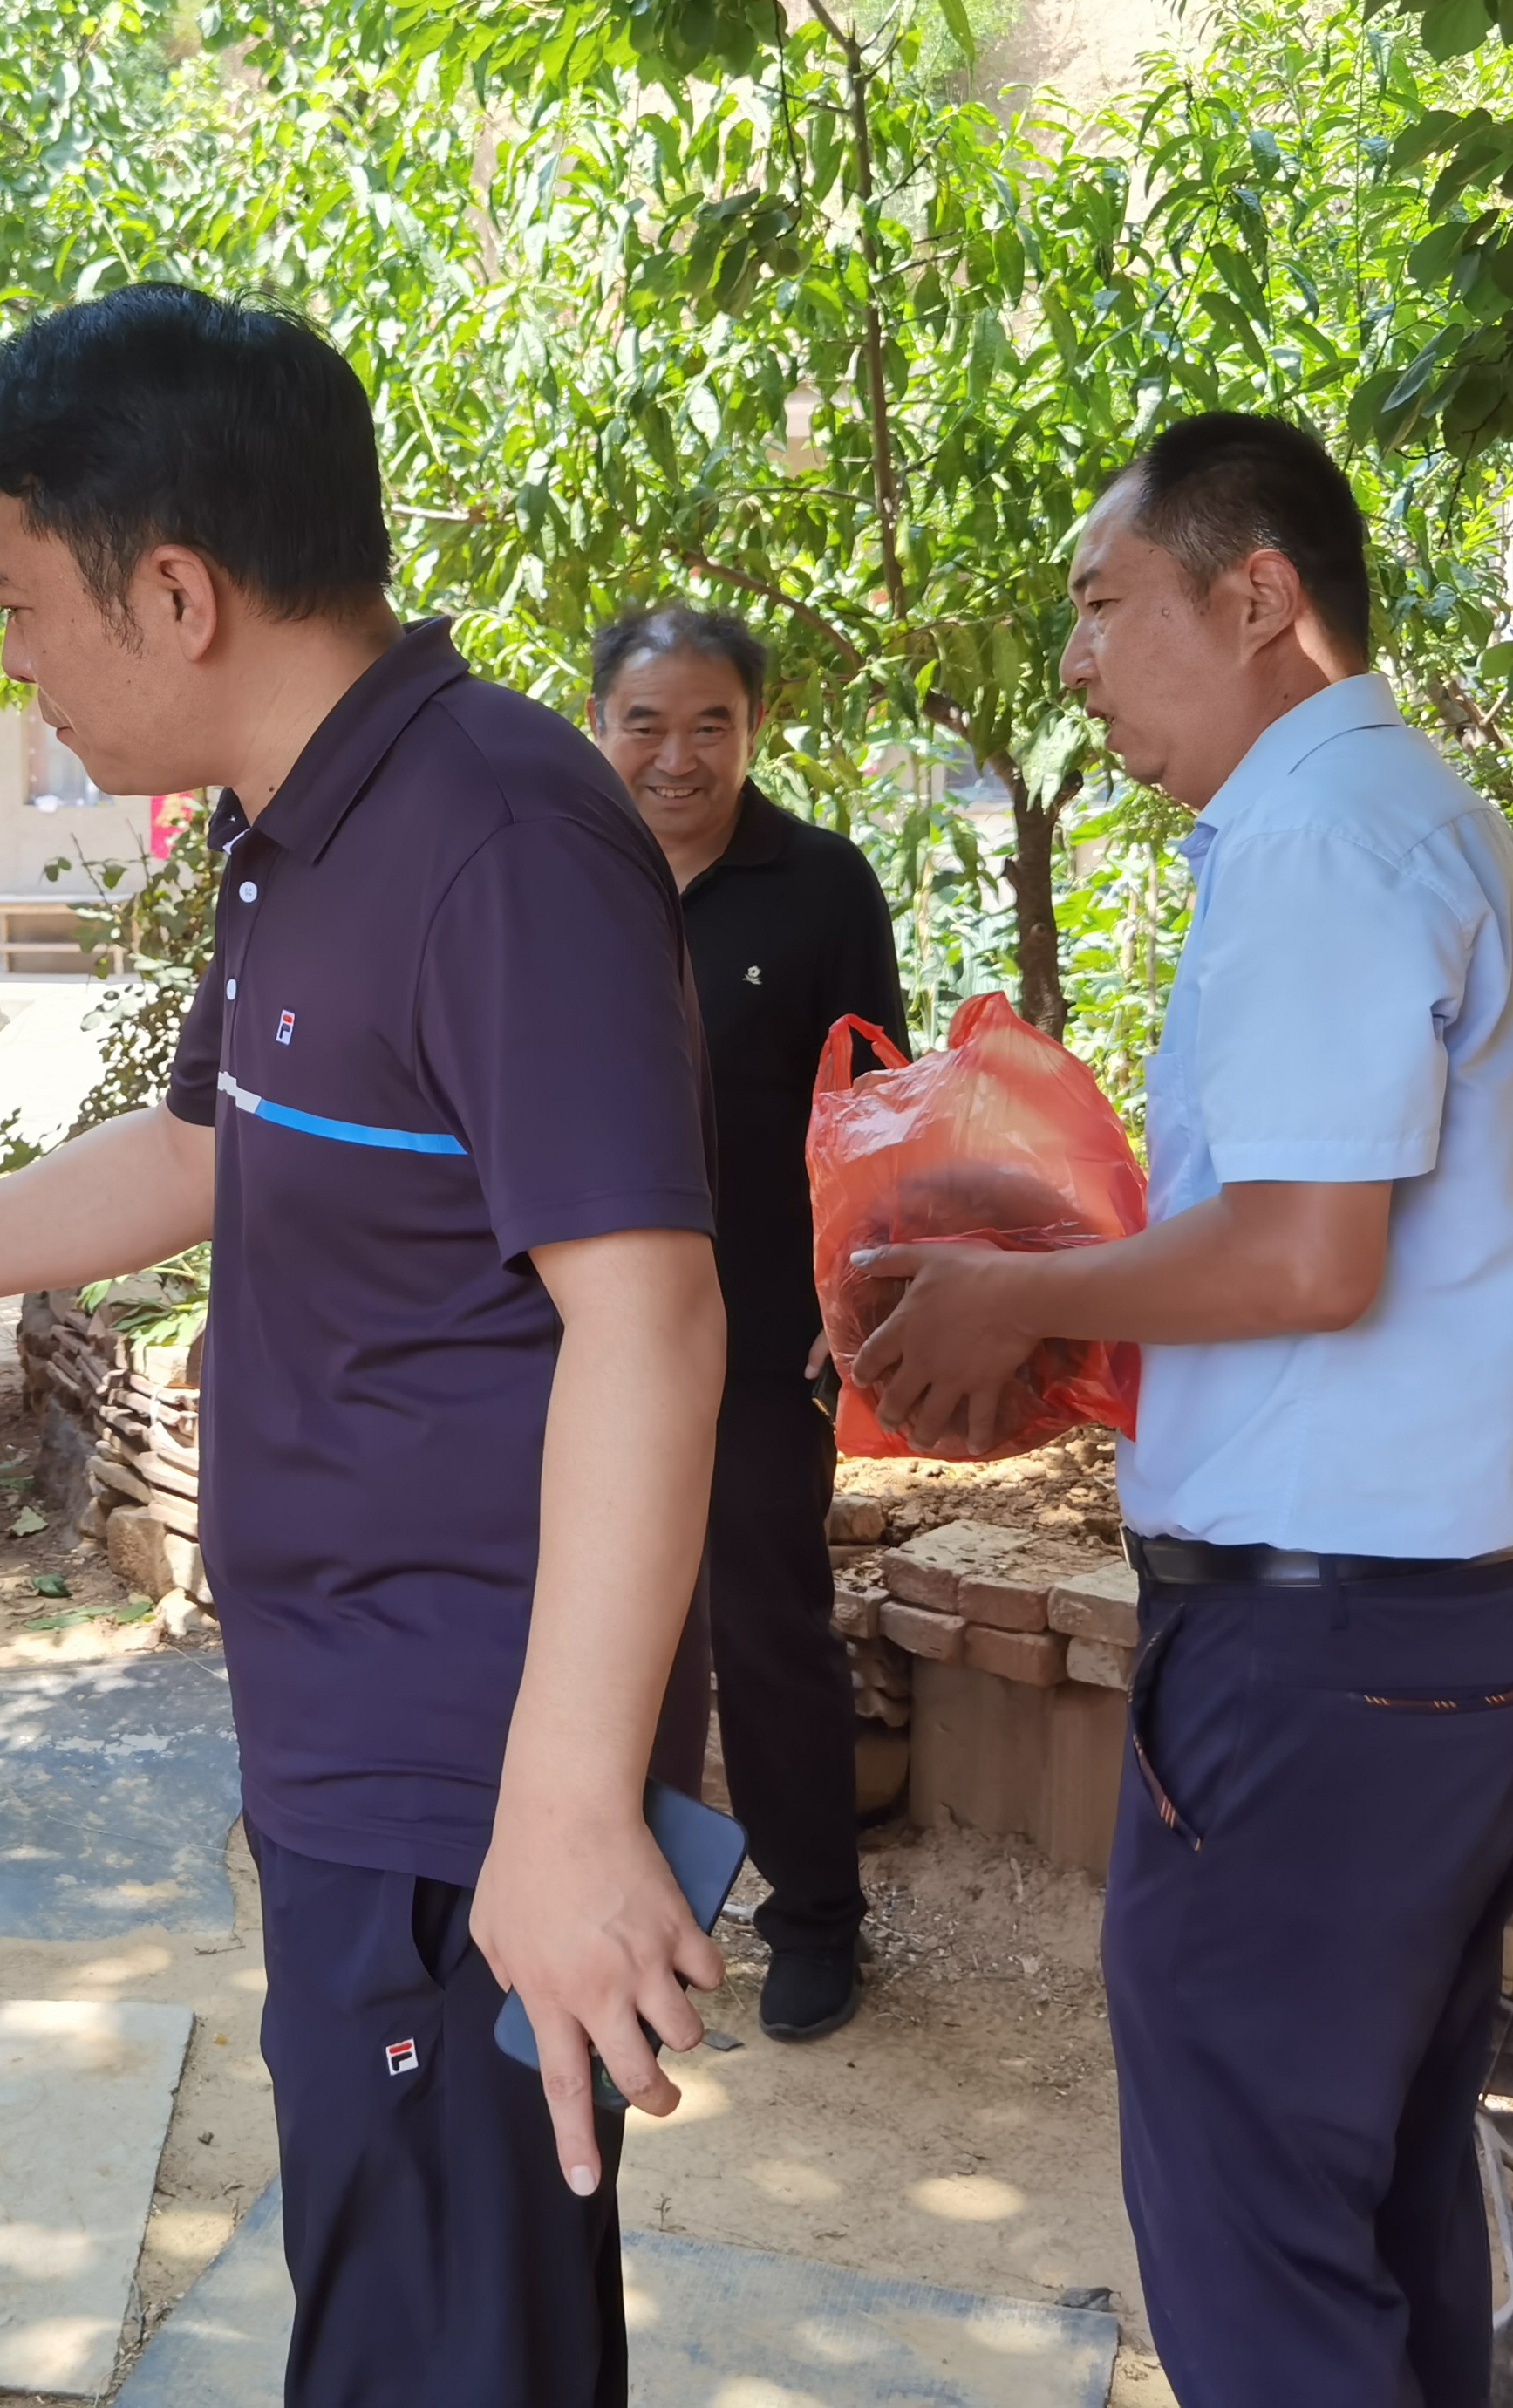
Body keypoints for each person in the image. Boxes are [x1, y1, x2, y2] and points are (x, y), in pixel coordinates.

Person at [0, 284, 728, 2406]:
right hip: (357, 1743)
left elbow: (649, 1319)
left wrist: (562, 1810)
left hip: (467, 1773)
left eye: (20, 602)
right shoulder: (305, 829)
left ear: (172, 593)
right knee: (406, 2323)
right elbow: (203, 1144)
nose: (11, 658)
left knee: (437, 2354)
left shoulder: (496, 836)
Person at [852, 413, 1513, 2405]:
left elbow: (1300, 1257)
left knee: (1256, 2230)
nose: (1075, 663)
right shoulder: (1419, 816)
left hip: (1330, 1654)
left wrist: (1016, 1295)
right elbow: (1322, 1261)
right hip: (1448, 1627)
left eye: (1104, 606)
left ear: (1258, 598)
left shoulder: (1317, 836)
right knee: (1376, 2195)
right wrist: (1086, 1322)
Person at [589, 606, 906, 2043]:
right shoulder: (559, 877)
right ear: (599, 725)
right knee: (597, 1629)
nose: (677, 755)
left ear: (754, 728)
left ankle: (817, 1921)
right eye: (645, 723)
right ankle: (613, 1912)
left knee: (767, 1626)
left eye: (709, 722)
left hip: (760, 1339)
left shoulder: (822, 884)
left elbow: (875, 1108)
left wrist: (858, 1294)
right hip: (577, 1338)